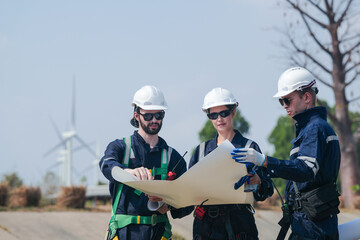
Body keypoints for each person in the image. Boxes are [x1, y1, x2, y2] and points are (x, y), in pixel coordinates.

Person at [232, 67, 341, 240]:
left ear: (306, 97)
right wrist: (261, 175)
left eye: (287, 100)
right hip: (310, 223)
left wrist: (265, 161)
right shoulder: (311, 129)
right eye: (281, 102)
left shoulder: (315, 128)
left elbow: (305, 169)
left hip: (313, 227)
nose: (284, 106)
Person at [99, 85, 192, 240]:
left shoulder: (173, 157)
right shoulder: (121, 147)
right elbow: (106, 164)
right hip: (124, 234)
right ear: (137, 115)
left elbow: (188, 200)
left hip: (158, 233)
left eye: (159, 115)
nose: (154, 120)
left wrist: (168, 205)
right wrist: (128, 172)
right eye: (148, 116)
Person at [189, 87, 274, 240]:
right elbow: (189, 190)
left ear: (233, 112)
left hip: (240, 227)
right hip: (206, 229)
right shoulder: (201, 151)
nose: (219, 119)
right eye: (213, 115)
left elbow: (266, 190)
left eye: (224, 113)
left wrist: (259, 182)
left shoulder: (249, 148)